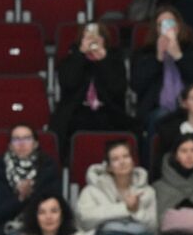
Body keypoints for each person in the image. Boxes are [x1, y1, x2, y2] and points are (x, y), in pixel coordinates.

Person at [50, 22, 138, 159]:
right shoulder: (71, 59)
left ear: (105, 41)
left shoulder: (114, 60)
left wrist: (104, 61)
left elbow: (118, 89)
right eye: (88, 37)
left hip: (108, 111)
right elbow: (68, 83)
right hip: (77, 111)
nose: (93, 40)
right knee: (66, 127)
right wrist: (80, 55)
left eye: (98, 37)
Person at [131, 5, 193, 140]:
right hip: (156, 109)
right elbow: (137, 85)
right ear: (156, 29)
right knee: (162, 117)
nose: (167, 28)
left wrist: (178, 56)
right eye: (161, 24)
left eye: (170, 23)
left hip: (190, 109)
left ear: (178, 26)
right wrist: (158, 58)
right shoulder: (144, 54)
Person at [77, 140, 159, 235]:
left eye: (126, 156)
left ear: (133, 161)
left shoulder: (147, 192)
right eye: (115, 159)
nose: (122, 162)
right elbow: (84, 220)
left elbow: (153, 228)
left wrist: (136, 211)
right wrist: (125, 208)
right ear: (109, 167)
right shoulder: (92, 190)